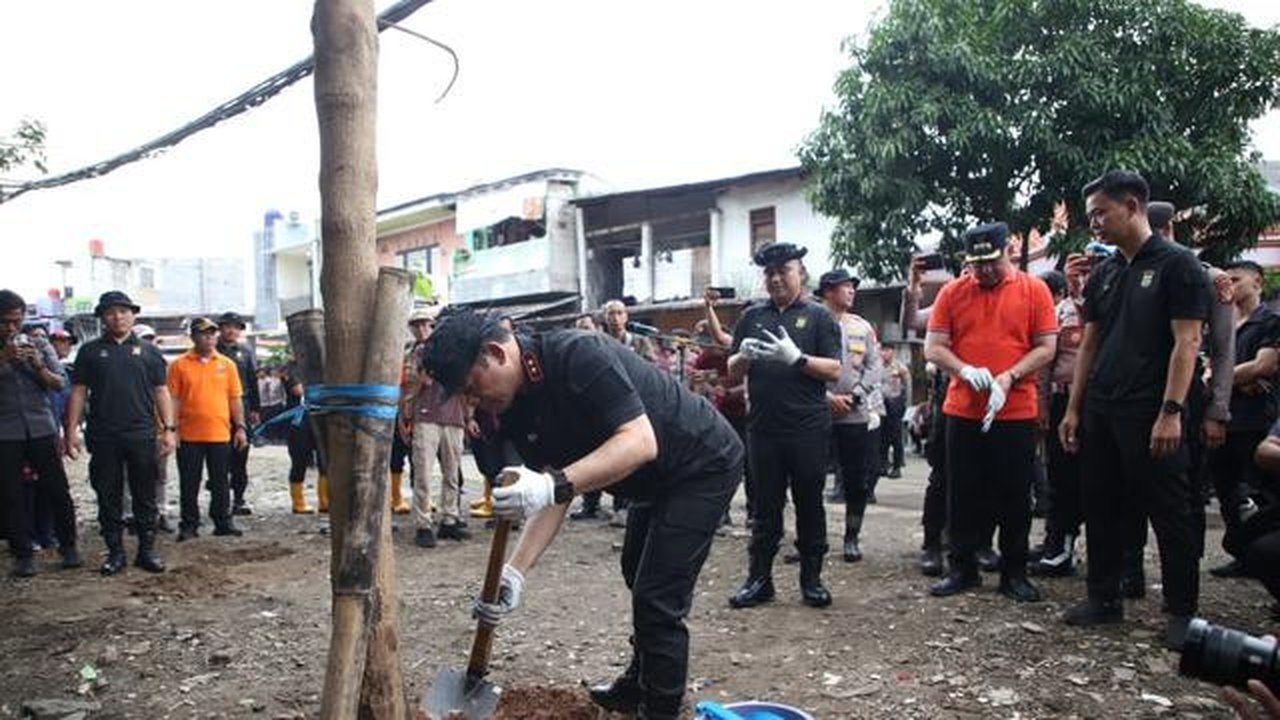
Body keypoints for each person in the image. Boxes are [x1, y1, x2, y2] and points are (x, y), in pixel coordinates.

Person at [420, 310, 743, 720]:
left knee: (658, 596)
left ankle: (659, 710)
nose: (472, 402)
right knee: (636, 570)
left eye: (471, 387)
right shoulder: (516, 408)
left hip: (702, 463)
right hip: (653, 482)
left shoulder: (578, 354)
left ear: (495, 353)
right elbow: (558, 492)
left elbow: (639, 442)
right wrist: (515, 571)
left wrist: (551, 485)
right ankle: (638, 682)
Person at [1059, 170, 1209, 649]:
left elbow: (1187, 342)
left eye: (1102, 213)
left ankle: (1182, 611)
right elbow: (1089, 345)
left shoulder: (1178, 265)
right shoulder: (1107, 272)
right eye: (1090, 217)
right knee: (1100, 503)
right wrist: (1075, 409)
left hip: (1151, 408)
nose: (1095, 224)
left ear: (1133, 206)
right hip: (1103, 406)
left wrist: (1172, 410)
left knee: (1170, 510)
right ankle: (1103, 597)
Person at [924, 222, 1057, 603]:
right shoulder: (953, 292)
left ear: (1008, 253)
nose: (984, 271)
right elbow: (933, 347)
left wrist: (1010, 376)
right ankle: (961, 568)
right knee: (962, 491)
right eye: (976, 264)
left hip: (1015, 410)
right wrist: (963, 370)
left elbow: (1046, 346)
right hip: (963, 409)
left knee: (1015, 493)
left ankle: (1013, 572)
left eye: (992, 263)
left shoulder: (1035, 290)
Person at [726, 242, 842, 609]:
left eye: (784, 271)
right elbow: (731, 370)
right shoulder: (752, 316)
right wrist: (743, 356)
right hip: (763, 428)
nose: (776, 278)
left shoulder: (820, 316)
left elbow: (835, 370)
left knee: (810, 503)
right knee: (764, 507)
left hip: (807, 428)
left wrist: (798, 358)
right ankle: (759, 580)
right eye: (770, 273)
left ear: (801, 274)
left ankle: (812, 579)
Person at [66, 291, 171, 576]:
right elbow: (78, 392)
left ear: (133, 314)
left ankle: (146, 551)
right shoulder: (89, 352)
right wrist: (71, 431)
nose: (118, 317)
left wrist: (169, 430)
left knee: (145, 493)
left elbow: (161, 391)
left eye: (124, 311)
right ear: (102, 318)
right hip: (103, 434)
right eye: (111, 312)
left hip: (141, 433)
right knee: (108, 493)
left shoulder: (149, 351)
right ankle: (115, 552)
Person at [1207, 260, 1280, 576]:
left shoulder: (1270, 320)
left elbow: (1263, 366)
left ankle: (1266, 557)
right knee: (1226, 490)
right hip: (1224, 416)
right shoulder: (1222, 321)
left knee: (1260, 491)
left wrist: (1218, 378)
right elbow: (1210, 363)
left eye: (1237, 279)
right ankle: (1241, 553)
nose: (1231, 284)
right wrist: (1234, 378)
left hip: (1257, 421)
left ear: (1257, 281)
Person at [0, 290, 80, 576]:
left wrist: (37, 366)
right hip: (6, 432)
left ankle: (68, 546)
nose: (11, 328)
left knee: (57, 488)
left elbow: (59, 384)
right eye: (5, 322)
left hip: (41, 427)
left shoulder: (38, 342)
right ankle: (23, 553)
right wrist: (4, 359)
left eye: (16, 321)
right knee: (11, 494)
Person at [817, 268, 882, 562]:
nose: (852, 291)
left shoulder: (861, 326)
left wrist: (856, 394)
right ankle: (811, 538)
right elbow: (799, 368)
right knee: (810, 478)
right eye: (846, 287)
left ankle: (851, 537)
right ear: (829, 291)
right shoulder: (812, 322)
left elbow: (874, 366)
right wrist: (827, 398)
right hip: (817, 412)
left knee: (856, 479)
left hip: (854, 414)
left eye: (853, 287)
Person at [575, 299, 656, 523]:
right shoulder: (596, 343)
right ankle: (590, 504)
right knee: (597, 453)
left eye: (620, 313)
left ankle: (624, 506)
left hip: (632, 407)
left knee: (627, 455)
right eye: (611, 314)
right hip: (601, 407)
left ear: (626, 316)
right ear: (604, 318)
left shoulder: (640, 342)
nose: (615, 318)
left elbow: (652, 372)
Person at [168, 318, 248, 540]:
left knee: (221, 480)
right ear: (193, 337)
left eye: (212, 334)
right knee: (189, 482)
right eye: (203, 334)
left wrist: (240, 427)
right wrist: (170, 429)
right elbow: (172, 399)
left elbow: (235, 399)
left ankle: (222, 521)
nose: (209, 338)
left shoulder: (227, 365)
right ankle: (189, 524)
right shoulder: (179, 365)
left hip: (220, 432)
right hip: (189, 434)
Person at [1031, 268, 1085, 577]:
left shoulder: (1105, 304)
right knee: (1060, 477)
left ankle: (1122, 563)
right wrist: (1043, 406)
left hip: (1098, 401)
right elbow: (1047, 366)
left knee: (1093, 482)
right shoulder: (1058, 313)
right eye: (1077, 272)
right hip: (1063, 399)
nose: (1082, 278)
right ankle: (1057, 544)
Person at [401, 312, 471, 548]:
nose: (421, 328)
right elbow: (408, 389)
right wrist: (406, 416)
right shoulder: (412, 354)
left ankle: (450, 518)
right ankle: (423, 523)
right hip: (425, 416)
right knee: (423, 474)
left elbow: (465, 385)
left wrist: (469, 416)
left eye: (425, 324)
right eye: (416, 324)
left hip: (453, 416)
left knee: (452, 473)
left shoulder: (453, 349)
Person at [215, 312, 259, 515]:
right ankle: (220, 500)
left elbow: (252, 380)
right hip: (216, 407)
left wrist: (256, 409)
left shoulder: (246, 352)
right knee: (218, 457)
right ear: (220, 329)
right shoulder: (212, 350)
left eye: (235, 327)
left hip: (242, 405)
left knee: (240, 456)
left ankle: (239, 499)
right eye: (227, 326)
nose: (231, 330)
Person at [282, 360, 325, 514]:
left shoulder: (319, 366)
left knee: (324, 460)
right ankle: (298, 502)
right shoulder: (291, 368)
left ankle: (325, 501)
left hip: (320, 418)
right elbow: (298, 390)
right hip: (298, 421)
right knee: (299, 461)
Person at [879, 344, 911, 480]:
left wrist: (906, 405)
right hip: (881, 403)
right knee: (882, 436)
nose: (884, 353)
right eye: (882, 350)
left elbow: (908, 386)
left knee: (896, 436)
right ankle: (883, 464)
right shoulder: (878, 366)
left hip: (895, 403)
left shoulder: (900, 367)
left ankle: (897, 466)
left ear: (892, 352)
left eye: (887, 350)